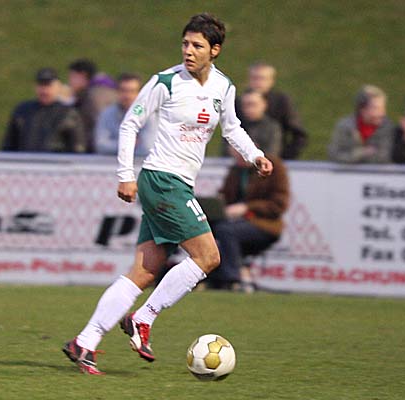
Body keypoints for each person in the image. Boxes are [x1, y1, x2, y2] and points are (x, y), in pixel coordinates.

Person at [62, 13, 273, 375]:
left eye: (197, 46)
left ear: (215, 50)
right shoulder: (165, 82)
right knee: (208, 257)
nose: (188, 51)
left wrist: (255, 155)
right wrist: (125, 175)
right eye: (185, 44)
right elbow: (130, 124)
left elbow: (232, 128)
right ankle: (144, 317)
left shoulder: (223, 87)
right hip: (162, 179)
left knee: (144, 272)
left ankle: (85, 342)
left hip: (179, 183)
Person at [208, 148, 289, 292]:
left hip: (264, 224)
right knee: (206, 228)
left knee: (226, 231)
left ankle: (233, 279)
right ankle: (208, 275)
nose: (236, 155)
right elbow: (226, 195)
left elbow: (278, 205)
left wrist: (246, 208)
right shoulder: (236, 170)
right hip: (233, 222)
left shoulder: (274, 167)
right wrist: (218, 204)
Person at [1, 68, 86, 153]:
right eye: (41, 85)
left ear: (58, 87)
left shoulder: (68, 114)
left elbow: (77, 148)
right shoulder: (22, 111)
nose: (44, 90)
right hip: (26, 160)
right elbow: (8, 145)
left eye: (48, 85)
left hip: (54, 161)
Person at [236, 61, 308, 159]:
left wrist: (284, 158)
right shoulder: (239, 101)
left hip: (275, 155)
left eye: (262, 79)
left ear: (271, 81)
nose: (258, 83)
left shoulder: (281, 102)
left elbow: (298, 134)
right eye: (255, 78)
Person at [328, 85, 395, 164]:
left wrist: (352, 157)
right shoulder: (345, 127)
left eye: (383, 108)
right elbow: (334, 155)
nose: (382, 113)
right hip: (348, 172)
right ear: (362, 110)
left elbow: (384, 157)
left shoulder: (387, 128)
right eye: (376, 108)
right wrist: (361, 153)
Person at [94, 72, 156, 157]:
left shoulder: (150, 114)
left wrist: (117, 146)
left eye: (132, 91)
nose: (127, 96)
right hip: (111, 163)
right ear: (117, 92)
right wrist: (131, 143)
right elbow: (101, 146)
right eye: (123, 91)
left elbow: (147, 148)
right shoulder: (107, 114)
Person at [233, 88, 282, 155]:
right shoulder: (234, 127)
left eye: (254, 104)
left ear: (264, 104)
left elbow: (273, 153)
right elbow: (225, 154)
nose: (250, 109)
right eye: (245, 105)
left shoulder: (273, 128)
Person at [63, 59, 98, 151]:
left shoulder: (90, 100)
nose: (69, 81)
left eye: (72, 77)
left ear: (82, 76)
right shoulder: (84, 97)